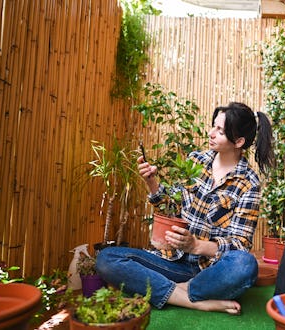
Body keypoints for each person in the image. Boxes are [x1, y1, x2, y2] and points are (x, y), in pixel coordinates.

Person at [96, 102, 274, 314]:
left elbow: (239, 244)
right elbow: (171, 207)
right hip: (170, 261)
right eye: (213, 126)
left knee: (245, 266)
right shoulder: (195, 161)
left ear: (239, 141)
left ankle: (173, 290)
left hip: (210, 272)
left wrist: (196, 245)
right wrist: (152, 183)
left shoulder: (249, 183)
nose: (211, 133)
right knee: (107, 259)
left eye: (220, 131)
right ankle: (190, 299)